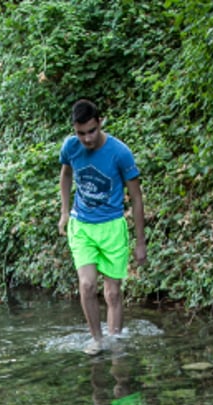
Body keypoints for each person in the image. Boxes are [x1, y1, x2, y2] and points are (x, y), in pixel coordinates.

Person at [58, 99, 147, 355]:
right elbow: (65, 174)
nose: (86, 139)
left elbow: (137, 197)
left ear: (100, 122)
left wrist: (140, 242)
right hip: (82, 225)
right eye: (80, 133)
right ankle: (97, 340)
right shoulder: (71, 147)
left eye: (91, 131)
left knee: (113, 293)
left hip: (112, 227)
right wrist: (64, 212)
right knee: (86, 285)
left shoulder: (120, 153)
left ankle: (115, 344)